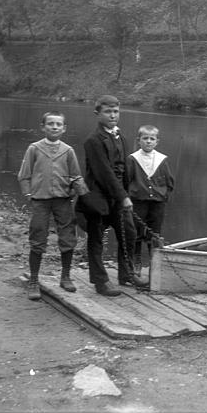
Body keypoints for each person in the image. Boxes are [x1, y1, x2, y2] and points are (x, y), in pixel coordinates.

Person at [76, 95, 148, 296]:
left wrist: (127, 195)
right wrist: (122, 196)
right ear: (97, 114)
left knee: (129, 232)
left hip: (117, 196)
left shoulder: (121, 137)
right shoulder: (93, 140)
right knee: (97, 238)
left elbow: (123, 169)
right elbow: (103, 172)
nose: (113, 115)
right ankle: (100, 281)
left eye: (116, 111)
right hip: (97, 195)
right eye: (108, 112)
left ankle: (126, 274)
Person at [17, 111, 88, 300]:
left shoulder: (68, 151)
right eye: (50, 124)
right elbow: (24, 175)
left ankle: (65, 276)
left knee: (67, 237)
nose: (54, 127)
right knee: (38, 236)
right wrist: (29, 194)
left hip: (63, 201)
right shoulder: (34, 148)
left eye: (58, 124)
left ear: (64, 129)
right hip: (40, 201)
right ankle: (33, 280)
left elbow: (76, 175)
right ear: (43, 127)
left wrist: (83, 194)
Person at [126, 124, 175, 274]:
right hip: (138, 201)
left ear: (157, 141)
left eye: (151, 139)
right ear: (138, 140)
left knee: (155, 234)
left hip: (157, 204)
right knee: (137, 232)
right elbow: (127, 180)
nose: (148, 141)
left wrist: (163, 195)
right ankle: (137, 262)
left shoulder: (162, 159)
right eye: (145, 138)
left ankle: (155, 265)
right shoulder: (133, 159)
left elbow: (169, 182)